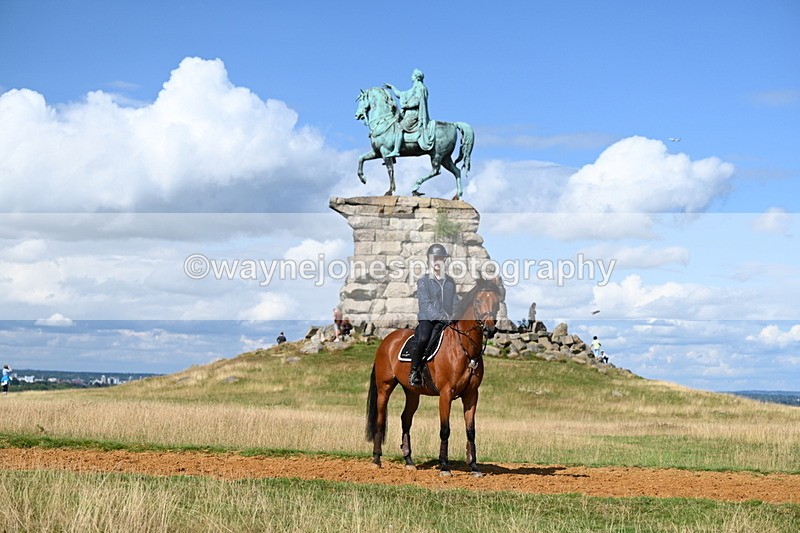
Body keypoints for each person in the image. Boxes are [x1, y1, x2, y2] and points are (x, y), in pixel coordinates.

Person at [409, 243, 459, 387]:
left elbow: (454, 300)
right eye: (434, 258)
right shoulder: (424, 281)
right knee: (424, 338)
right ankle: (414, 371)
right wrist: (441, 317)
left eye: (441, 258)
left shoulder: (450, 281)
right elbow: (426, 304)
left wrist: (457, 310)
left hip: (446, 320)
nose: (438, 262)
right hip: (428, 319)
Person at [384, 68, 433, 157]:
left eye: (412, 75)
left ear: (416, 77)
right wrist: (392, 87)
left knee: (399, 127)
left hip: (414, 115)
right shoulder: (413, 88)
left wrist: (407, 106)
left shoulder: (420, 88)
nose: (411, 77)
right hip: (408, 114)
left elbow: (418, 101)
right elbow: (401, 94)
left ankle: (396, 150)